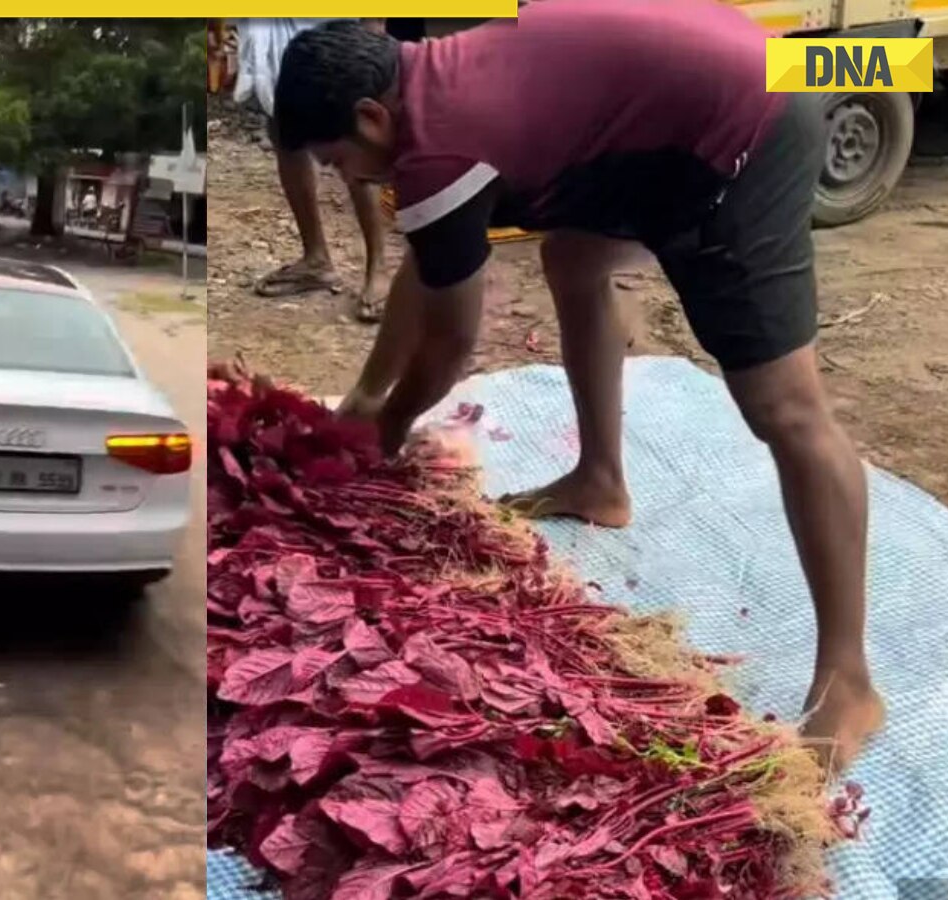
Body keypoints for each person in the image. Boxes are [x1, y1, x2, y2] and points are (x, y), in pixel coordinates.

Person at [273, 1, 883, 773]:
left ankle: (850, 680)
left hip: (748, 123)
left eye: (334, 162)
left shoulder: (439, 145)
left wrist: (387, 426)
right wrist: (366, 401)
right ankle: (600, 480)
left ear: (368, 116)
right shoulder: (433, 79)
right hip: (706, 80)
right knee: (573, 259)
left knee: (785, 411)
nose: (344, 178)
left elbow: (453, 340)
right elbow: (429, 270)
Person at [242, 17, 391, 321]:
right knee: (285, 128)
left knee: (352, 130)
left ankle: (379, 266)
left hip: (337, 26)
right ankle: (316, 259)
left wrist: (374, 25)